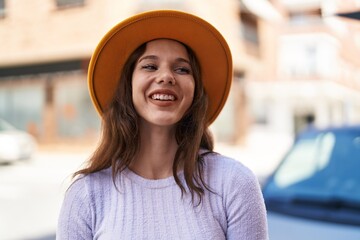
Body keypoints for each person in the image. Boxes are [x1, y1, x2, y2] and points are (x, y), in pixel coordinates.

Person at [56, 10, 268, 240]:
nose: (166, 76)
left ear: (195, 91)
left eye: (182, 69)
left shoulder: (234, 182)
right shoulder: (86, 194)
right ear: (128, 85)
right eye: (149, 66)